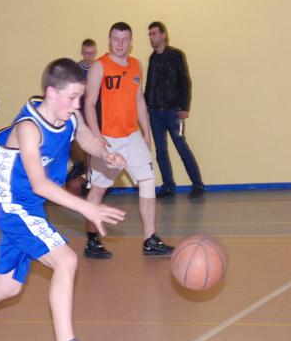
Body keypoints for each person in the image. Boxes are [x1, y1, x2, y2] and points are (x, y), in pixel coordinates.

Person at [0, 58, 126, 341]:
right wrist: (87, 208)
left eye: (79, 98)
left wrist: (106, 153)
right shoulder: (29, 128)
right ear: (51, 92)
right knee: (66, 261)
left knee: (6, 288)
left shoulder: (69, 115)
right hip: (14, 205)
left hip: (29, 206)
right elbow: (39, 183)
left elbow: (86, 139)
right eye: (72, 97)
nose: (77, 105)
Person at [82, 22, 175, 259]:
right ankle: (92, 240)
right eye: (116, 39)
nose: (120, 44)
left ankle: (150, 239)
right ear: (109, 40)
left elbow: (139, 100)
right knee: (98, 190)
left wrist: (146, 132)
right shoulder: (99, 67)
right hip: (107, 139)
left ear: (131, 42)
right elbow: (89, 103)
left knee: (147, 180)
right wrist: (96, 136)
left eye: (124, 39)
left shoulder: (136, 65)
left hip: (132, 136)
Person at [146, 21, 204, 199]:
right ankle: (168, 186)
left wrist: (185, 107)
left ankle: (197, 184)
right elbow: (149, 84)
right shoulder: (153, 58)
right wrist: (146, 105)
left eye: (154, 33)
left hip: (173, 112)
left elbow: (185, 81)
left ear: (163, 35)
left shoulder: (176, 55)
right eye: (150, 34)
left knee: (181, 147)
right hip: (155, 112)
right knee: (160, 151)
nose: (151, 37)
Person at [66, 38, 98, 196]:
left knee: (94, 148)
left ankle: (92, 182)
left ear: (95, 52)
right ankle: (79, 165)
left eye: (92, 53)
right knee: (73, 142)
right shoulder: (75, 70)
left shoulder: (99, 68)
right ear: (82, 52)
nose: (89, 56)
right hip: (79, 113)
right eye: (86, 53)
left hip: (95, 113)